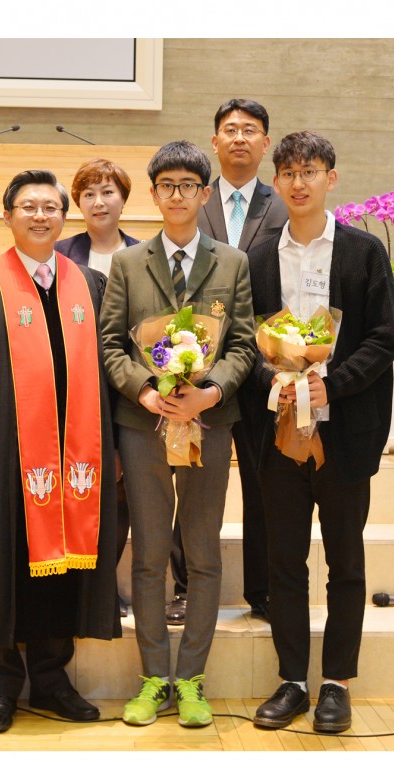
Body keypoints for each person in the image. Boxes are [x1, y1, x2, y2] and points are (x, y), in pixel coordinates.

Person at [0, 169, 120, 734]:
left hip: (74, 459)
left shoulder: (89, 285)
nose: (40, 216)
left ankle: (50, 678)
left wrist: (110, 447)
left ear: (64, 217)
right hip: (3, 456)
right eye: (28, 206)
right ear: (7, 216)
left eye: (50, 207)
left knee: (60, 569)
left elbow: (108, 371)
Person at [246, 131, 394, 733]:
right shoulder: (259, 258)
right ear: (276, 182)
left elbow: (382, 339)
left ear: (331, 177)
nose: (299, 182)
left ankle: (337, 681)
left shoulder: (364, 252)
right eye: (288, 173)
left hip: (345, 431)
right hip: (279, 434)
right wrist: (274, 382)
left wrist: (331, 384)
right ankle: (292, 681)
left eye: (309, 171)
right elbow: (245, 341)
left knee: (345, 562)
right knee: (284, 562)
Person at [101, 141, 255, 728]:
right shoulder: (127, 263)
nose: (177, 195)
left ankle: (191, 678)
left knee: (202, 551)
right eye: (167, 185)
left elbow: (243, 345)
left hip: (209, 424)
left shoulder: (232, 263)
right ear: (153, 193)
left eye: (188, 185)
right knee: (147, 554)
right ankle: (152, 677)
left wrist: (209, 392)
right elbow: (110, 345)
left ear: (205, 193)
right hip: (143, 425)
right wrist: (145, 390)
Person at [168, 98, 289, 627]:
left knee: (265, 485)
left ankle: (264, 590)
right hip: (197, 372)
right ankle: (185, 587)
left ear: (266, 143)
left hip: (263, 371)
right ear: (214, 141)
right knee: (192, 486)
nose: (240, 137)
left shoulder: (283, 203)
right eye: (230, 129)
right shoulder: (192, 199)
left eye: (250, 130)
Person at [55, 159, 142, 617]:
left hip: (129, 390)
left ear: (123, 199)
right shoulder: (60, 253)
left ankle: (104, 586)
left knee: (120, 489)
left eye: (108, 192)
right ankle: (72, 587)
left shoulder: (145, 254)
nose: (98, 202)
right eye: (88, 194)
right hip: (71, 391)